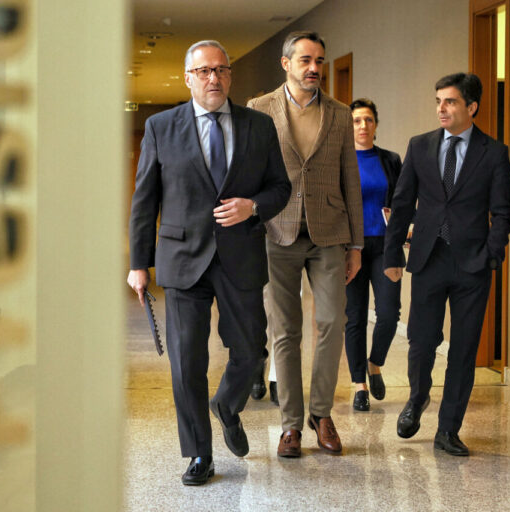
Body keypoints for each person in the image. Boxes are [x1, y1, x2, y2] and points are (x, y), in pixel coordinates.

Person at [128, 40, 291, 485]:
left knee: (251, 349)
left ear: (230, 75)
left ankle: (226, 405)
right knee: (186, 362)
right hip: (181, 259)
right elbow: (145, 200)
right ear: (188, 78)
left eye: (221, 70)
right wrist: (138, 263)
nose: (213, 78)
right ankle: (199, 453)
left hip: (240, 255)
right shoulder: (161, 127)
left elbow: (281, 188)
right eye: (203, 71)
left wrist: (252, 206)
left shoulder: (259, 126)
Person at [383, 72, 510, 456]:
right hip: (428, 257)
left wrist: (492, 251)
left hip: (472, 264)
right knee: (421, 341)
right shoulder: (420, 146)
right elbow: (403, 203)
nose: (441, 108)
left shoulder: (493, 153)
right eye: (438, 100)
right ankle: (417, 398)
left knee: (463, 348)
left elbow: (505, 210)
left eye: (451, 101)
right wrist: (393, 255)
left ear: (471, 107)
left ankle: (448, 429)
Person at [247, 31, 364, 458]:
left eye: (319, 60)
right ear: (286, 64)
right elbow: (250, 173)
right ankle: (290, 425)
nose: (314, 67)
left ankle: (321, 414)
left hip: (329, 232)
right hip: (277, 231)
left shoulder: (339, 113)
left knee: (333, 321)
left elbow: (350, 179)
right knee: (286, 330)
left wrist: (356, 245)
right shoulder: (259, 111)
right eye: (305, 60)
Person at [344, 98, 403, 412]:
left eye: (368, 120)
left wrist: (405, 228)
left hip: (385, 247)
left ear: (376, 125)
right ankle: (359, 385)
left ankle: (375, 362)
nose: (362, 126)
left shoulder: (391, 160)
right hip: (351, 248)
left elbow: (404, 202)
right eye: (356, 121)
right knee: (354, 318)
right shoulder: (340, 161)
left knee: (389, 313)